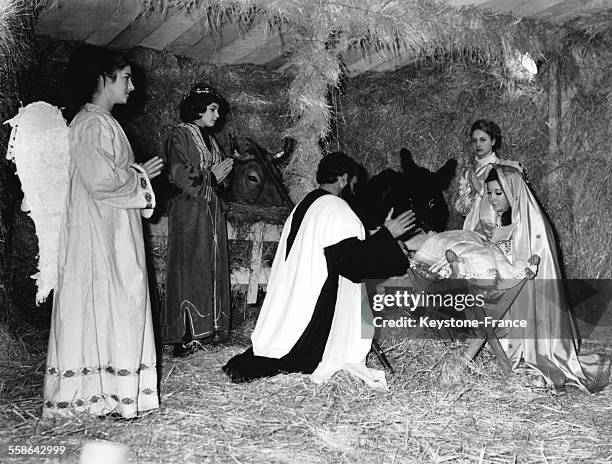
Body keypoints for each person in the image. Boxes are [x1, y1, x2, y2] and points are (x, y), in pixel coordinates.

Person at [223, 152, 416, 387]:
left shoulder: (307, 204)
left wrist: (377, 237)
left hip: (295, 299)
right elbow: (353, 264)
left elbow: (342, 250)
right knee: (299, 358)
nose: (355, 187)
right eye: (354, 181)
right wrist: (388, 236)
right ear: (344, 179)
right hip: (315, 306)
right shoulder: (336, 207)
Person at [43, 46, 164, 419]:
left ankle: (110, 392)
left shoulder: (102, 123)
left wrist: (137, 175)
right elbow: (101, 181)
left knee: (117, 302)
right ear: (102, 80)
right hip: (98, 236)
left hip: (111, 228)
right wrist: (140, 174)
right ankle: (94, 394)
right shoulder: (91, 124)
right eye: (125, 77)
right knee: (110, 301)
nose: (131, 85)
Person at [463, 164, 610, 391]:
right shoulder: (496, 221)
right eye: (489, 192)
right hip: (504, 288)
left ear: (513, 192)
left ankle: (528, 357)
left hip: (525, 294)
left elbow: (529, 261)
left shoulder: (531, 225)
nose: (492, 198)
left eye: (498, 193)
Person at [162, 83, 234, 357]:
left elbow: (218, 176)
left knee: (210, 265)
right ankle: (185, 335)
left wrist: (221, 183)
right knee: (190, 264)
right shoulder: (179, 135)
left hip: (210, 210)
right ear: (198, 109)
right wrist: (211, 178)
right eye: (213, 109)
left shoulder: (210, 140)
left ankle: (209, 330)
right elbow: (179, 174)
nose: (217, 116)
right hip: (190, 210)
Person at [455, 120, 523, 220]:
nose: (478, 144)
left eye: (483, 140)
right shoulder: (468, 172)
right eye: (474, 140)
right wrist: (472, 195)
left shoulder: (506, 168)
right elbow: (462, 210)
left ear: (493, 141)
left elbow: (515, 204)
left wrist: (480, 190)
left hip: (498, 227)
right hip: (471, 229)